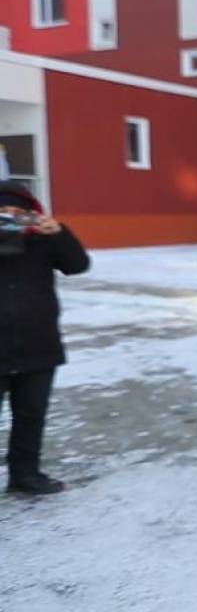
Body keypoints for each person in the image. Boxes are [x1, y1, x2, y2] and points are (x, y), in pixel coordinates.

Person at [0, 181, 90, 495]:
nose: (10, 217)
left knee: (31, 417)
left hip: (38, 348)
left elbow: (78, 265)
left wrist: (59, 233)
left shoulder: (44, 241)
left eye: (18, 212)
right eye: (2, 213)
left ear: (31, 215)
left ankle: (25, 475)